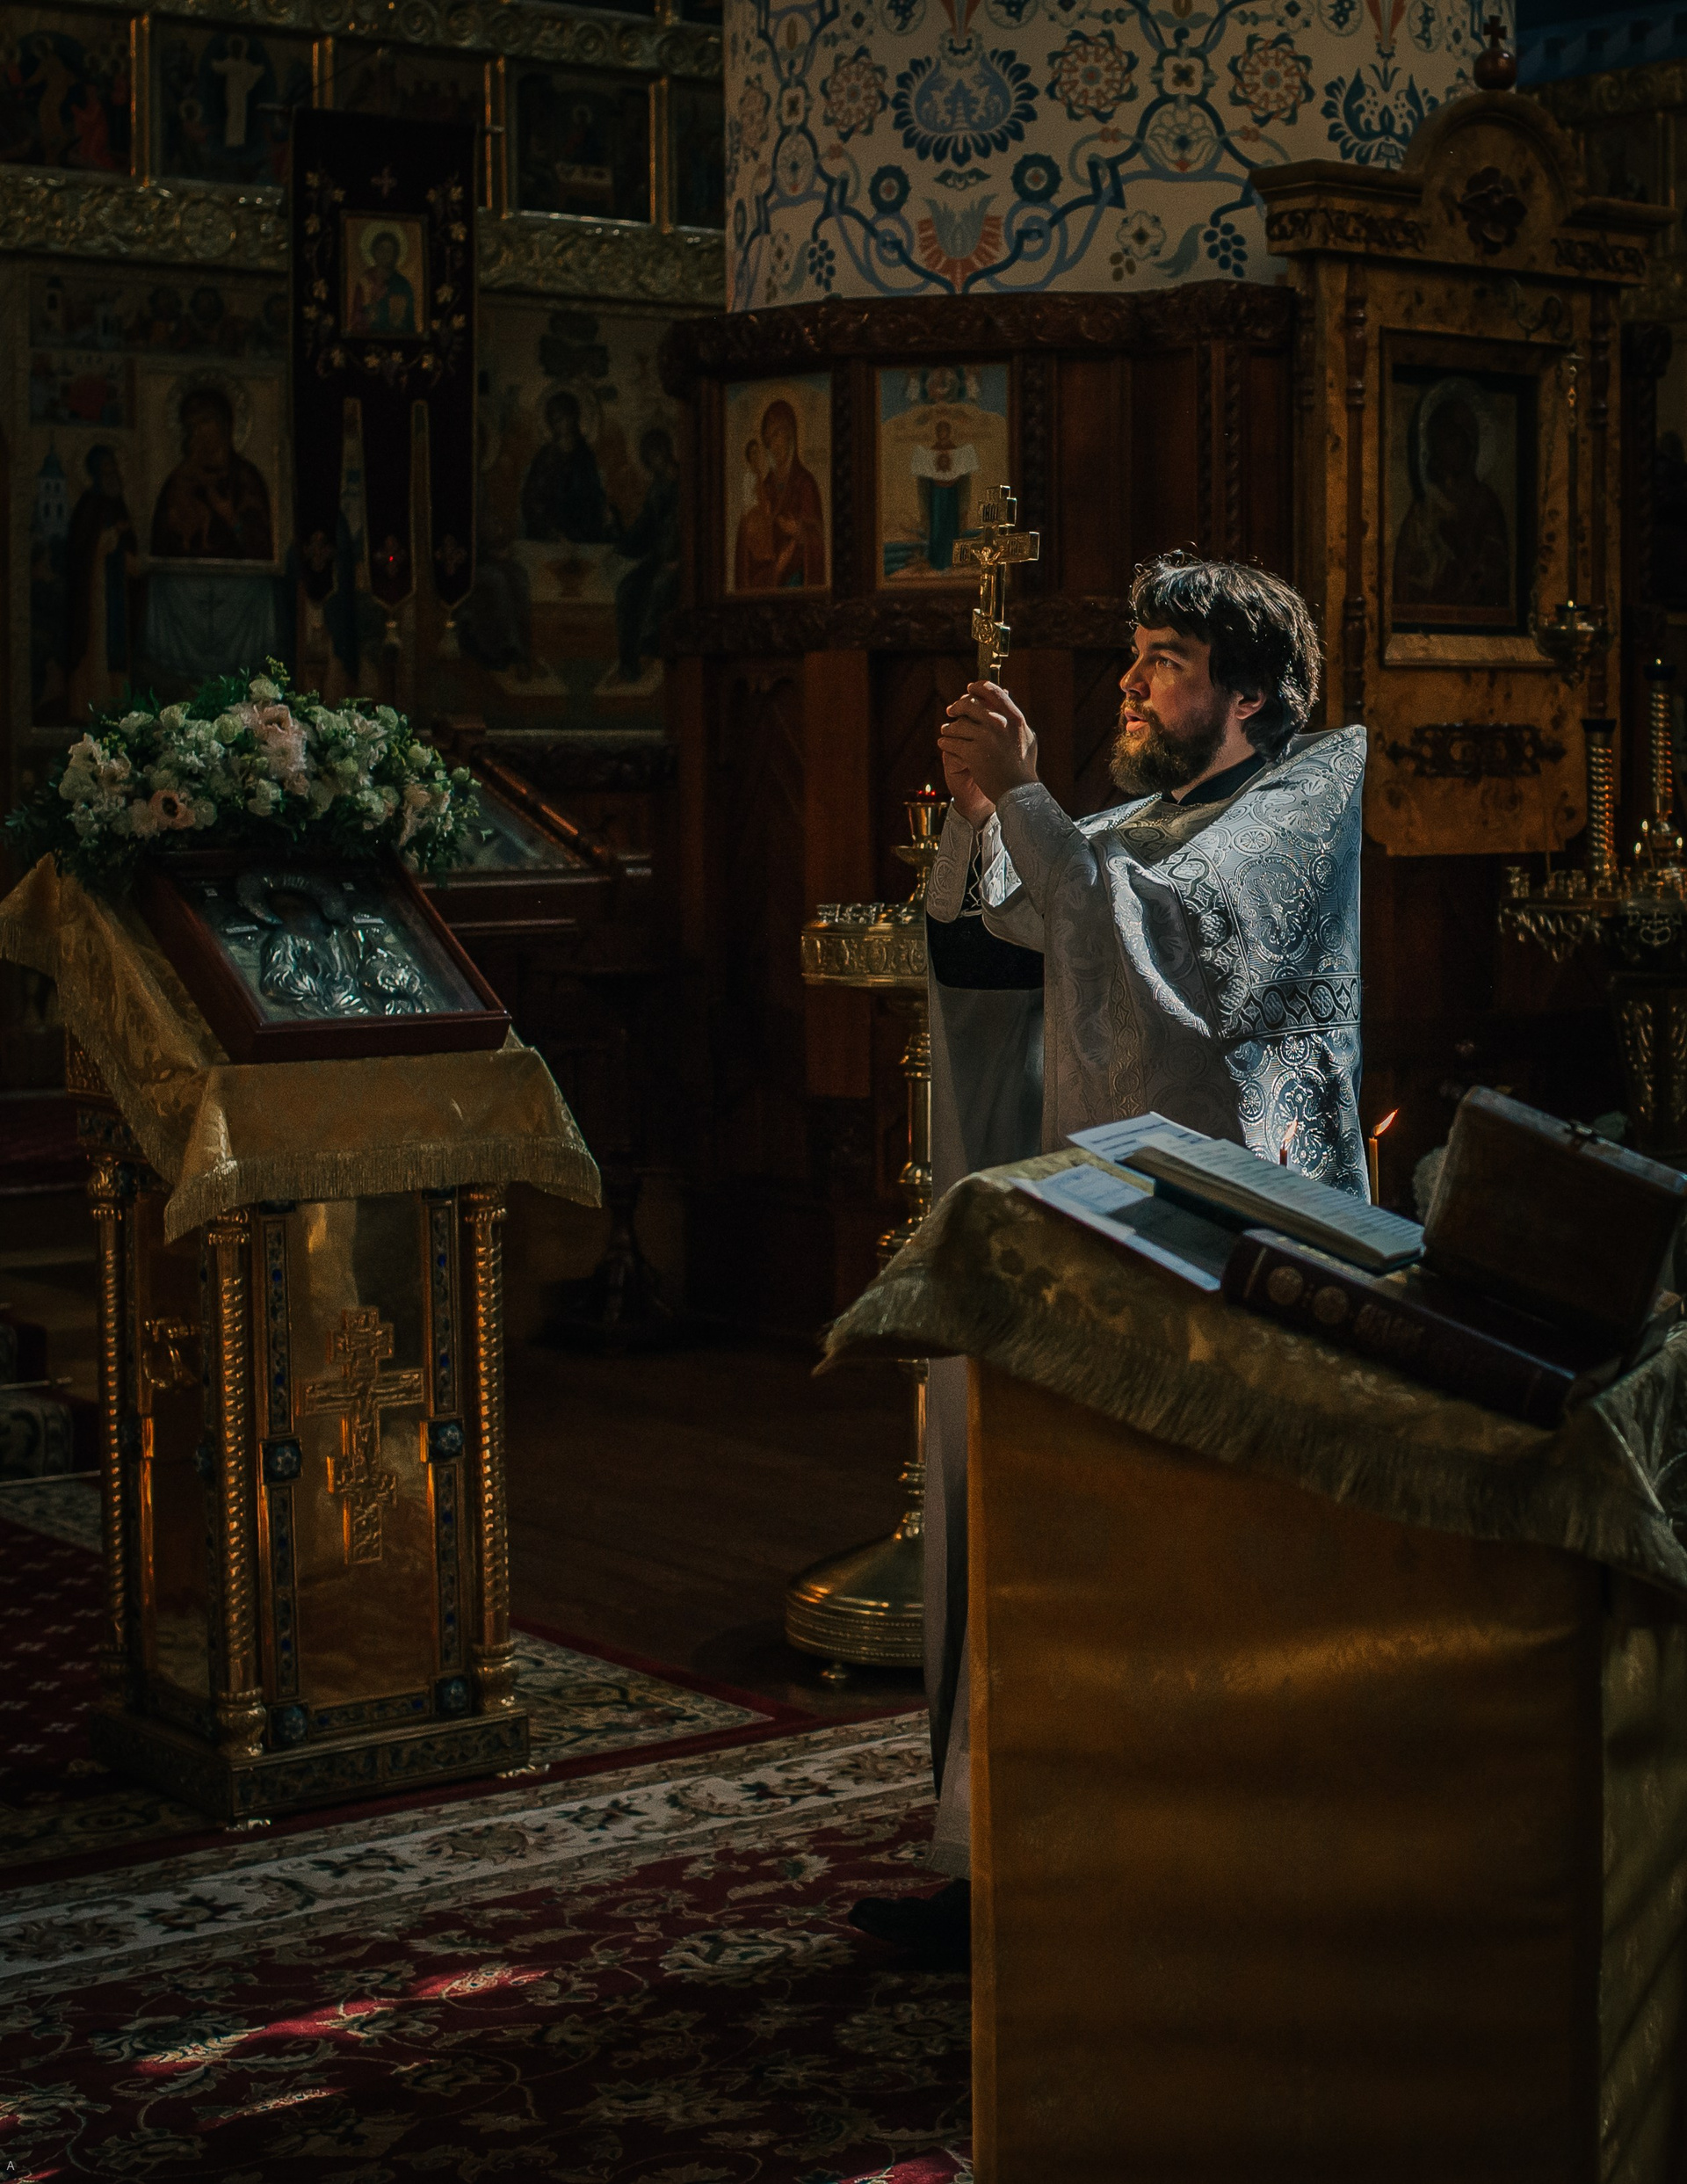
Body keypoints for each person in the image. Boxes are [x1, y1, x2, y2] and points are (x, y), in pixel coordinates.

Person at [848, 551, 1366, 1966]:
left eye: (1166, 664)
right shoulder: (1139, 820)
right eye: (1134, 657)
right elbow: (1005, 940)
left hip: (1238, 1253)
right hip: (1102, 1231)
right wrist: (986, 815)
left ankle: (1182, 1873)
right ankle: (1005, 1868)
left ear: (1252, 694)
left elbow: (1170, 950)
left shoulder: (1300, 807)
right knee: (1045, 1540)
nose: (1130, 685)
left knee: (1177, 1563)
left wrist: (1025, 799)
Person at [150, 384, 273, 560]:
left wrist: (232, 519)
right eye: (192, 426)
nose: (198, 432)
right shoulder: (180, 477)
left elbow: (262, 547)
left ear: (224, 424)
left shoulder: (244, 477)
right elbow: (160, 546)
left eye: (205, 422)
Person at [607, 426, 680, 686]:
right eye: (648, 459)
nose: (653, 463)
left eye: (656, 455)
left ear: (666, 452)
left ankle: (648, 652)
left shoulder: (688, 484)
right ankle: (628, 665)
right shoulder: (657, 489)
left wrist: (681, 558)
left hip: (687, 562)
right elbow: (643, 531)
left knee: (660, 586)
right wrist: (617, 531)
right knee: (628, 588)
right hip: (660, 559)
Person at [734, 398, 824, 589]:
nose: (773, 446)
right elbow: (749, 544)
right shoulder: (764, 488)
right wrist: (776, 568)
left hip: (797, 582)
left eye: (777, 435)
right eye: (768, 440)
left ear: (790, 434)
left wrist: (799, 531)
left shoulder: (805, 483)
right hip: (769, 577)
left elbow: (818, 537)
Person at [520, 389, 609, 544]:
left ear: (574, 417)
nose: (561, 424)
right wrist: (549, 529)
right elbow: (531, 496)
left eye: (564, 418)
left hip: (581, 528)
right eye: (555, 420)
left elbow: (593, 493)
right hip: (550, 528)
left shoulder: (584, 454)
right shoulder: (545, 455)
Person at [349, 229, 418, 337]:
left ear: (395, 254)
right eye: (381, 249)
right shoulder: (365, 281)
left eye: (389, 250)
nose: (384, 254)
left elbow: (410, 321)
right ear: (374, 251)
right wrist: (367, 318)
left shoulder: (402, 284)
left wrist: (399, 324)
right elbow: (356, 316)